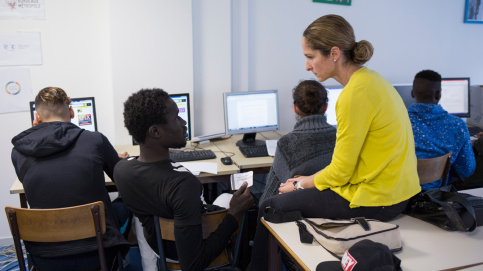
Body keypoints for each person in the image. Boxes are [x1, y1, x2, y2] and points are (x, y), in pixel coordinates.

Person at [247, 15, 421, 270]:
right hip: (394, 191)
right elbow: (346, 165)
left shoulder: (352, 95)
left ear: (334, 53)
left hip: (377, 200)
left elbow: (341, 171)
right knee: (299, 186)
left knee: (270, 204)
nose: (307, 66)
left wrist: (300, 184)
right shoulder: (373, 80)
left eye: (310, 56)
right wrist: (304, 181)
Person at [114, 88, 253, 271]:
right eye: (176, 118)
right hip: (191, 250)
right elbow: (193, 265)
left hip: (159, 247)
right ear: (155, 131)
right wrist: (234, 213)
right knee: (249, 210)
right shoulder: (182, 185)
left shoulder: (121, 169)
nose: (184, 123)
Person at [11, 87, 130, 271]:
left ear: (38, 116)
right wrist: (116, 159)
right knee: (126, 201)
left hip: (44, 258)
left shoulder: (19, 151)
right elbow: (122, 177)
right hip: (97, 253)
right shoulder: (95, 140)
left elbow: (32, 184)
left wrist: (38, 135)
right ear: (72, 111)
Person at [259, 79, 336, 204]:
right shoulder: (342, 137)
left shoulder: (287, 144)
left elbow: (270, 195)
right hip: (336, 210)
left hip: (299, 213)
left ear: (295, 109)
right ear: (326, 107)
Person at [408, 69, 476, 190]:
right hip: (436, 198)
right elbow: (467, 170)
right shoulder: (457, 125)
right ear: (439, 94)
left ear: (412, 93)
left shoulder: (396, 122)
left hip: (399, 197)